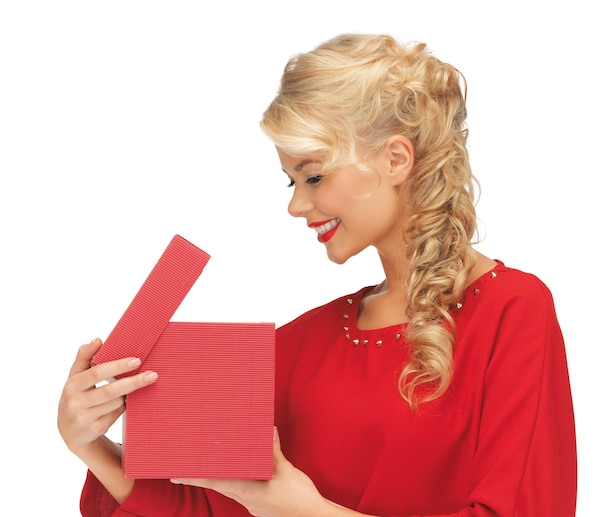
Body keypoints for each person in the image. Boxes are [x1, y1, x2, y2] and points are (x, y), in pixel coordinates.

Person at [58, 33, 577, 516]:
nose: (297, 205)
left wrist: (304, 510)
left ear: (395, 159)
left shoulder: (513, 309)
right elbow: (212, 506)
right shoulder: (304, 341)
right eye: (290, 182)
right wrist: (91, 443)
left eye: (313, 175)